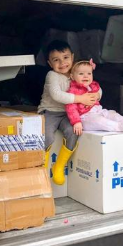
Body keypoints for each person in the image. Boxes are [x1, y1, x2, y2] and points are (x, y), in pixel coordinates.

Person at [38, 40, 100, 185]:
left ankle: (59, 166)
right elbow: (56, 95)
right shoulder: (52, 75)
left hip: (69, 114)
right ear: (49, 63)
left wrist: (98, 95)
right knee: (46, 136)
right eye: (56, 60)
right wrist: (81, 98)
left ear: (72, 57)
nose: (62, 63)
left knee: (74, 132)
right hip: (50, 112)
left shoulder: (77, 72)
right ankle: (42, 170)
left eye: (66, 58)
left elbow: (93, 85)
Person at [66, 59, 123, 134]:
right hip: (85, 118)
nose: (86, 76)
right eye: (81, 74)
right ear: (72, 77)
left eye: (89, 73)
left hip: (99, 111)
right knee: (100, 121)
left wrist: (97, 95)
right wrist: (76, 122)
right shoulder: (73, 91)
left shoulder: (93, 86)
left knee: (112, 114)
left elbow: (99, 92)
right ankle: (118, 126)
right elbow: (71, 109)